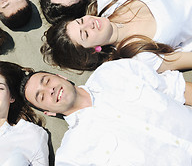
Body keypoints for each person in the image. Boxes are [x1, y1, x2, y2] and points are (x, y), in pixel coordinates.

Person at [21, 58, 192, 165]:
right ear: (48, 112)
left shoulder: (113, 72)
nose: (49, 90)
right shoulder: (71, 155)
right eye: (41, 97)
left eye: (46, 81)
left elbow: (178, 90)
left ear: (62, 77)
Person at [41, 0, 192, 73]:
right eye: (85, 34)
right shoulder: (139, 57)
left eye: (81, 21)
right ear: (95, 50)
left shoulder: (109, 0)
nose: (90, 23)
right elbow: (182, 60)